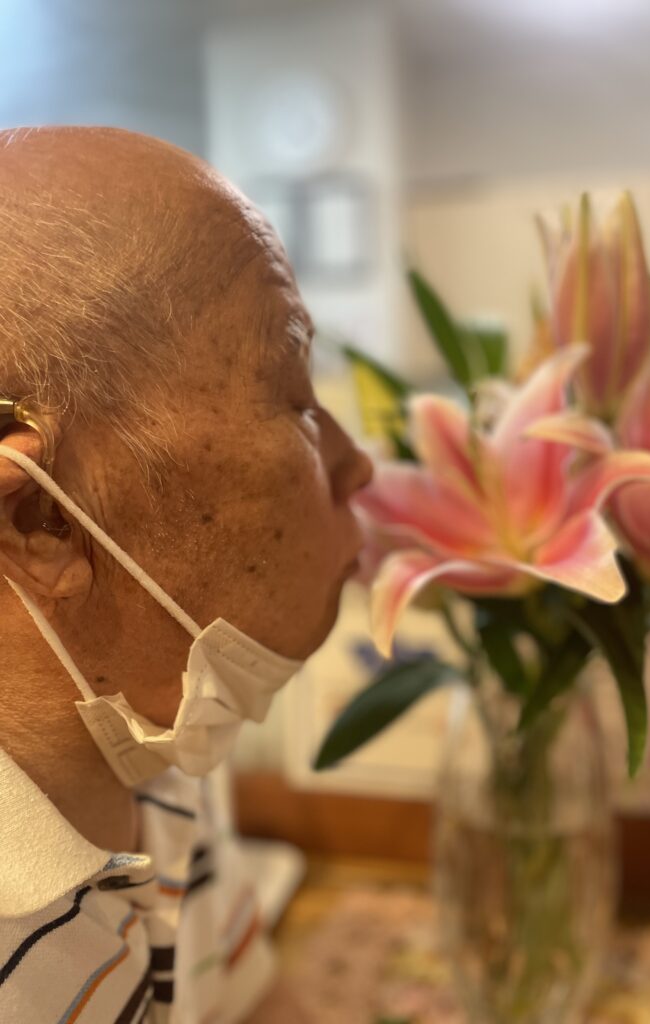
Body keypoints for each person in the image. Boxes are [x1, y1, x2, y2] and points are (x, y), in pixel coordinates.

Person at [0, 126, 373, 1023]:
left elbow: (255, 1009)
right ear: (45, 521)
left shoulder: (156, 754)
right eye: (295, 396)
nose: (355, 463)